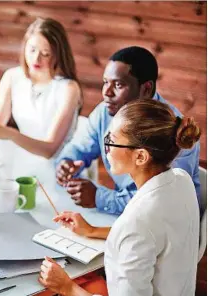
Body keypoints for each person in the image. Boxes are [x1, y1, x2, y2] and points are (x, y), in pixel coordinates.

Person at [40, 99, 201, 296]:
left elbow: (140, 231)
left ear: (140, 157)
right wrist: (91, 230)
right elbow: (153, 237)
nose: (105, 148)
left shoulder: (137, 221)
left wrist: (67, 287)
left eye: (111, 141)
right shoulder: (181, 180)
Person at [55, 46, 200, 215]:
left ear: (146, 89)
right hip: (128, 216)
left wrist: (100, 198)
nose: (106, 93)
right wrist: (67, 162)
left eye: (118, 84)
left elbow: (162, 202)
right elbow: (80, 148)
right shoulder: (105, 112)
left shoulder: (172, 131)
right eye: (105, 82)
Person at [0, 18, 82, 159]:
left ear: (58, 54)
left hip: (60, 164)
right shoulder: (12, 77)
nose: (36, 59)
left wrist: (9, 133)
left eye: (45, 54)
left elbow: (49, 150)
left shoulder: (69, 89)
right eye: (32, 50)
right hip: (25, 155)